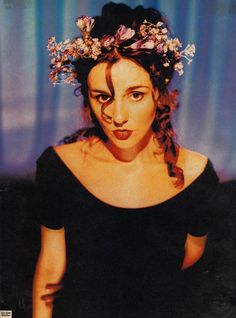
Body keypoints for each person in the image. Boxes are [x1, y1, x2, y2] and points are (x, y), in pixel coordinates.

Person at [32, 2, 219, 317]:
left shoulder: (198, 175)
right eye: (103, 97)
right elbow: (51, 266)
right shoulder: (59, 167)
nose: (117, 116)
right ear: (88, 99)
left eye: (135, 95)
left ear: (160, 95)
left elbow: (190, 256)